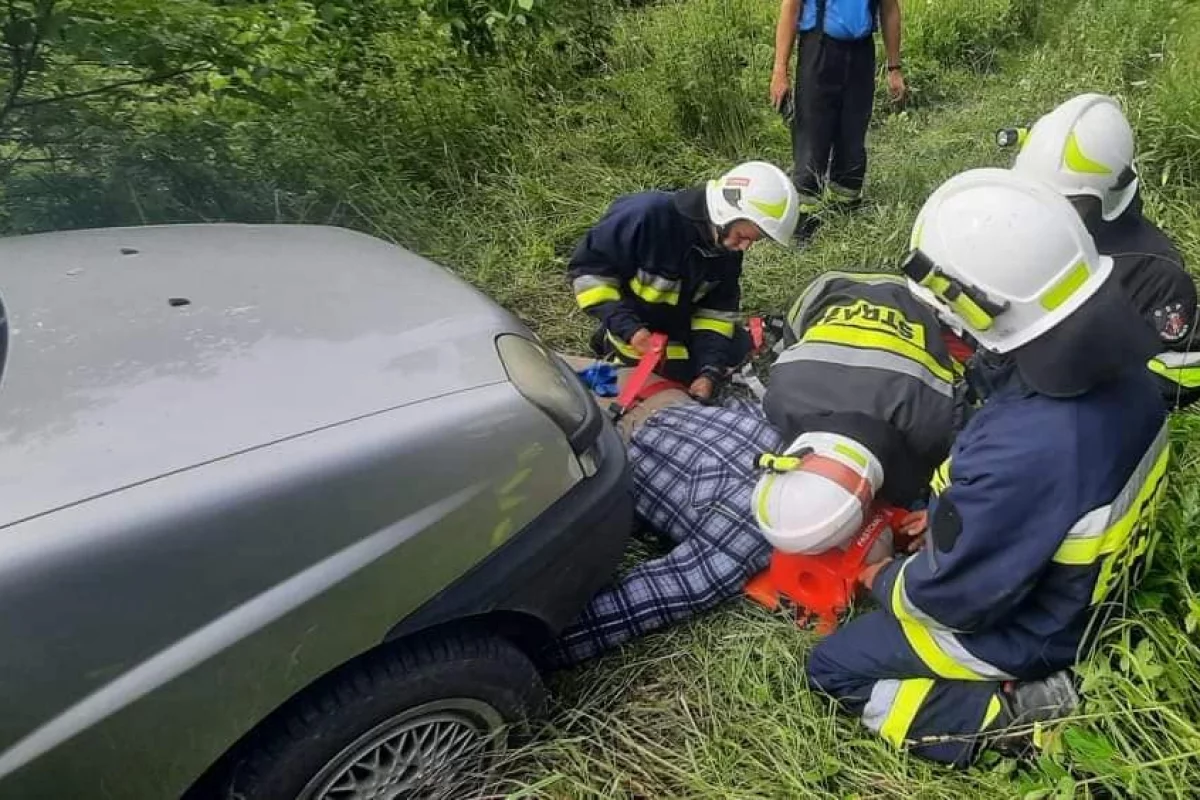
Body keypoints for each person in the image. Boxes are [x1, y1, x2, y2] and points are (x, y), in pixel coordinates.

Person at [805, 167, 1169, 767]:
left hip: (1039, 631)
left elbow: (953, 601)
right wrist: (946, 514)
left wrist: (882, 579)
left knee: (835, 666)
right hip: (1103, 586)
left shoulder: (1026, 446)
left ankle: (1016, 720)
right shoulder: (1122, 365)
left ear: (979, 305)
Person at [541, 270, 971, 669]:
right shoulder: (740, 544)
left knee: (520, 364)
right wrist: (531, 651)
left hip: (642, 390)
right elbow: (646, 599)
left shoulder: (786, 433)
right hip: (596, 439)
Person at [1009, 92, 1199, 407]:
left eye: (1068, 203)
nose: (1049, 213)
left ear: (1109, 195)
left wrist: (1092, 394)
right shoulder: (1022, 226)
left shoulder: (1155, 273)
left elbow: (1181, 372)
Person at [566, 161, 800, 400]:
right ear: (726, 212)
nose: (744, 247)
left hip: (677, 334)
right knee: (636, 394)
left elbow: (716, 315)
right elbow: (588, 274)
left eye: (753, 241)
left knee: (734, 352)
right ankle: (611, 347)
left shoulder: (726, 252)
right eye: (742, 236)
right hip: (636, 338)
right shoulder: (646, 216)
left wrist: (708, 372)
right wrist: (630, 329)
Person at [770, 0, 905, 229]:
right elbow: (791, 8)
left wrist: (894, 68)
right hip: (819, 50)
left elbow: (890, 9)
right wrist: (780, 70)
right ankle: (803, 221)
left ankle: (845, 208)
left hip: (861, 52)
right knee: (813, 136)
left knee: (853, 133)